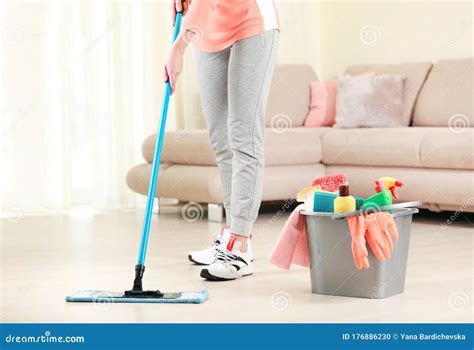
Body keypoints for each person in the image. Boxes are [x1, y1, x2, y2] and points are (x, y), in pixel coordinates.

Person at [164, 0, 279, 281]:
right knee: (221, 138)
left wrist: (178, 49)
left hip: (252, 23)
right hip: (209, 29)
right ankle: (230, 235)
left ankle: (239, 245)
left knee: (243, 135)